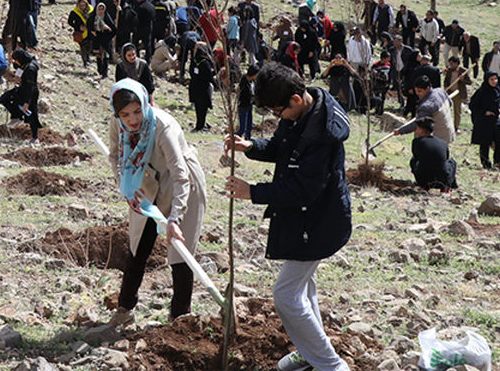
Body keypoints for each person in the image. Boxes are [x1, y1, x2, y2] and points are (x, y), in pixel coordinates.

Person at [224, 63, 352, 371]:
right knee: (303, 289)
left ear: (295, 100)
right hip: (305, 220)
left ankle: (330, 365)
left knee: (285, 294)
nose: (277, 116)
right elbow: (283, 147)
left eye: (278, 110)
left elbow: (302, 189)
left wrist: (252, 192)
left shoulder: (322, 134)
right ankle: (311, 353)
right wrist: (250, 146)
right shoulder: (301, 114)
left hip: (320, 223)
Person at [106, 78, 206, 327]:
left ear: (145, 102)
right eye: (126, 114)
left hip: (181, 182)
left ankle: (179, 319)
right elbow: (114, 156)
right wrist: (126, 188)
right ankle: (125, 309)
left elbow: (180, 172)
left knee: (180, 252)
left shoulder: (162, 126)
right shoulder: (117, 125)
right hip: (143, 179)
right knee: (138, 245)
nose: (133, 120)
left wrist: (174, 218)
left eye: (137, 111)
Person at [0, 49, 40, 140]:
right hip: (22, 88)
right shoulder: (25, 64)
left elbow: (31, 86)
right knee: (5, 98)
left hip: (30, 93)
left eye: (16, 60)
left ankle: (35, 137)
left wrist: (27, 102)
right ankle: (17, 117)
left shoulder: (30, 69)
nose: (16, 62)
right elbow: (18, 67)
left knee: (31, 114)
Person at [469, 71, 500, 170]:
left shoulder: (497, 89)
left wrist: (499, 108)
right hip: (484, 121)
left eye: (496, 79)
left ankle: (498, 163)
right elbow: (473, 105)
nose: (494, 81)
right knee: (485, 143)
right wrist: (485, 112)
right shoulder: (481, 91)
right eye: (492, 79)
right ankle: (486, 164)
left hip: (495, 120)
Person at [409, 117, 457, 191]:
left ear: (421, 130)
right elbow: (446, 158)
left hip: (425, 179)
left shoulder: (417, 142)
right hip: (442, 179)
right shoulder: (443, 142)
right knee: (452, 162)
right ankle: (446, 187)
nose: (416, 131)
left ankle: (424, 186)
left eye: (417, 128)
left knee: (413, 161)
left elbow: (416, 157)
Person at [188, 41, 216, 132]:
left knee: (197, 107)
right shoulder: (205, 62)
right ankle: (200, 126)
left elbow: (191, 72)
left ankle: (198, 125)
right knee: (203, 108)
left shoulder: (194, 60)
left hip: (194, 86)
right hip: (203, 88)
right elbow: (209, 76)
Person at [443, 56, 471, 132]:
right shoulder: (448, 70)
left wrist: (463, 79)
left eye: (452, 63)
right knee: (446, 110)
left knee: (457, 111)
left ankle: (456, 127)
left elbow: (469, 82)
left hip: (458, 94)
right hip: (449, 93)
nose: (450, 65)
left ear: (456, 63)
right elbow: (446, 81)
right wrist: (445, 88)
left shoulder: (463, 71)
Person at [236, 64, 258, 140]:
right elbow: (244, 95)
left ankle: (248, 140)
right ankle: (234, 142)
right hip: (243, 106)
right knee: (242, 129)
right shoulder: (244, 81)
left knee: (249, 127)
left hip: (250, 105)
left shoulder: (252, 82)